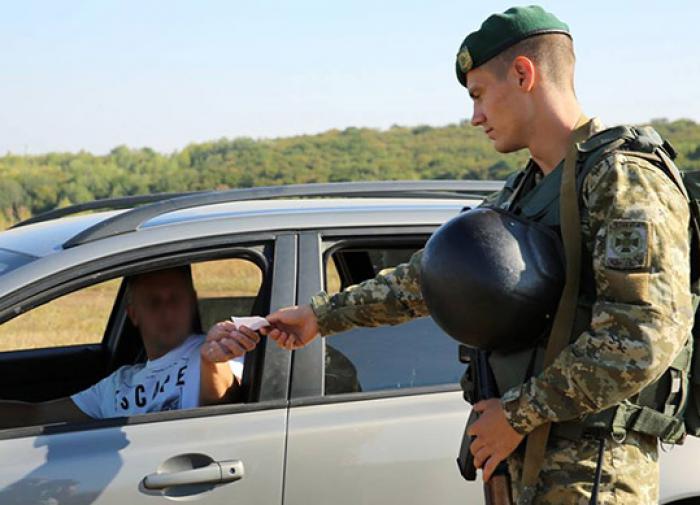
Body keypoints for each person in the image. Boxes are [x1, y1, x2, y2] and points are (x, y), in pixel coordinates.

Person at [240, 6, 693, 504]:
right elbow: (429, 277)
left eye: (478, 95)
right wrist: (318, 317)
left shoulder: (623, 179)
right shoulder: (523, 192)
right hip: (524, 464)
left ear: (524, 74)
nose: (474, 116)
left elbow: (644, 333)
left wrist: (520, 413)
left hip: (594, 473)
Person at [0, 266, 261, 428]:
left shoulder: (213, 352)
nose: (167, 310)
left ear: (192, 303)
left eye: (175, 299)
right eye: (153, 302)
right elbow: (34, 416)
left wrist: (212, 361)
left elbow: (225, 398)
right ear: (133, 314)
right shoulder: (118, 384)